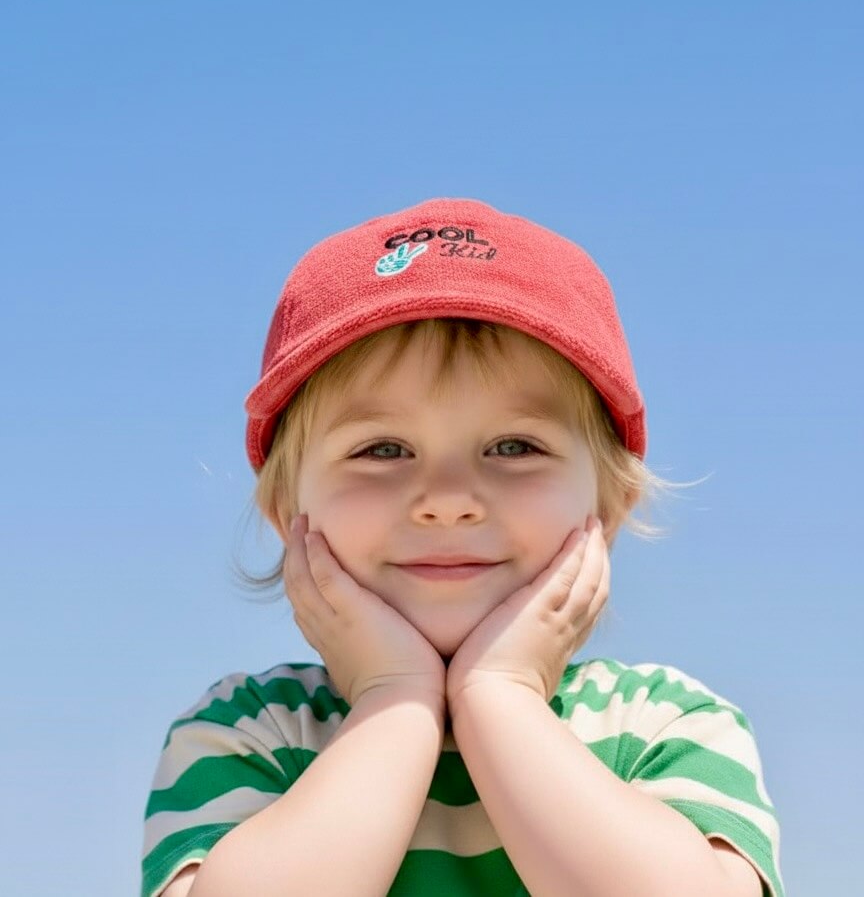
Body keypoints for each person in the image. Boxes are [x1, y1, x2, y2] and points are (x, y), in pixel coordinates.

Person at [141, 197, 784, 897]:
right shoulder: (252, 729)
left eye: (514, 446)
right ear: (285, 514)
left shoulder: (660, 723)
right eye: (382, 449)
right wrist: (394, 697)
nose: (448, 498)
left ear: (609, 507)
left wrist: (501, 695)